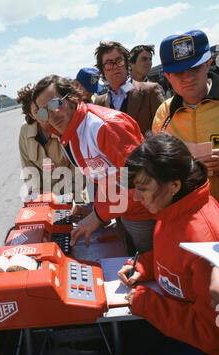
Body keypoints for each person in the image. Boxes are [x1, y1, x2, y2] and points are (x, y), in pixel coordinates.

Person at [117, 134, 219, 355]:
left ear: (174, 185)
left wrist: (149, 304)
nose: (135, 197)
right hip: (178, 328)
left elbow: (213, 332)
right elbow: (172, 256)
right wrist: (144, 266)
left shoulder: (207, 243)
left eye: (142, 189)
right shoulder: (172, 209)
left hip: (209, 353)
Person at [32, 74, 155, 252]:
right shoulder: (68, 131)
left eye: (55, 104)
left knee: (146, 266)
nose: (51, 115)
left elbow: (139, 180)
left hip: (143, 212)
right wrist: (96, 208)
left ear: (72, 97)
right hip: (123, 211)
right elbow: (106, 177)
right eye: (44, 111)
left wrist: (98, 215)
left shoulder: (105, 126)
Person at [152, 29, 219, 207]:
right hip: (189, 218)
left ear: (208, 64)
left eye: (195, 68)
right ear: (167, 76)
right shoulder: (164, 113)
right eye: (179, 73)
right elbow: (155, 164)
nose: (188, 77)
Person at [17, 83, 87, 201]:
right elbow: (28, 167)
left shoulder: (67, 126)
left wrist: (62, 198)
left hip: (73, 196)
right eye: (37, 112)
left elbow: (78, 170)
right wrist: (38, 196)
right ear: (31, 115)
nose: (44, 115)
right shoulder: (25, 131)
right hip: (43, 199)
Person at [94, 41, 164, 135]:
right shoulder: (99, 102)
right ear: (102, 70)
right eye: (109, 64)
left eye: (119, 61)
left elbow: (165, 132)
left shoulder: (150, 91)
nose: (115, 67)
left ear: (126, 64)